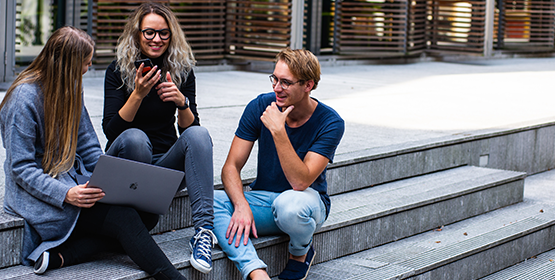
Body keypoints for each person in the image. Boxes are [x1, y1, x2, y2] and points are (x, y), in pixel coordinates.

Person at [0, 26, 186, 279]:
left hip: (74, 183)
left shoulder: (71, 89)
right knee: (124, 219)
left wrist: (105, 179)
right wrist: (66, 193)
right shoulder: (23, 99)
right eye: (85, 63)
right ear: (67, 64)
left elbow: (88, 147)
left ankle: (65, 255)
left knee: (148, 216)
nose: (88, 69)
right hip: (41, 195)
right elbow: (20, 169)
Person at [102, 2, 216, 274]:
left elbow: (191, 132)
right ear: (137, 34)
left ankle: (203, 233)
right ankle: (133, 222)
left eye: (163, 33)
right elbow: (111, 131)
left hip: (163, 168)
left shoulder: (181, 70)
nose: (156, 39)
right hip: (127, 163)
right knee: (135, 139)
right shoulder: (117, 70)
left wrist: (182, 102)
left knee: (199, 134)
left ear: (172, 35)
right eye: (149, 32)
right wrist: (138, 94)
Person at [213, 48, 345, 280]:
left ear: (308, 85)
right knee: (209, 201)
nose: (276, 88)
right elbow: (231, 166)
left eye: (285, 82)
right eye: (274, 78)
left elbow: (300, 181)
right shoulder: (260, 105)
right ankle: (255, 271)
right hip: (264, 199)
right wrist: (241, 204)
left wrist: (278, 131)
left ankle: (300, 254)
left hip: (306, 203)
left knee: (290, 205)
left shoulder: (330, 122)